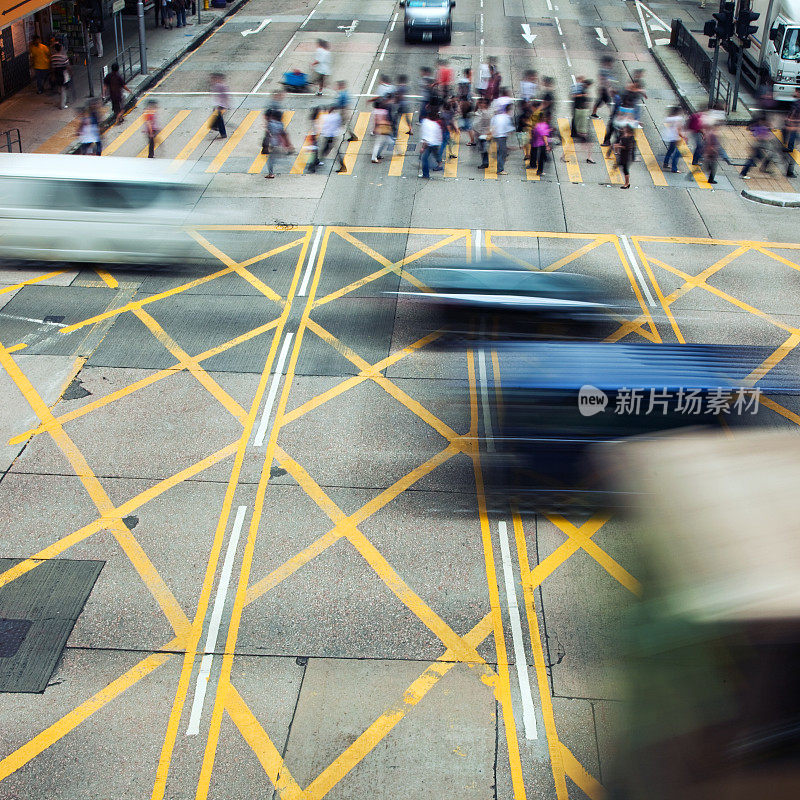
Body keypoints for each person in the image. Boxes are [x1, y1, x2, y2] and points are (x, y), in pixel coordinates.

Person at [318, 105, 346, 172]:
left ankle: (343, 166)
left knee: (331, 150)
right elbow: (340, 124)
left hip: (329, 136)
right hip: (334, 135)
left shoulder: (325, 117)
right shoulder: (337, 116)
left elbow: (323, 126)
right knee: (327, 149)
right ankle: (320, 160)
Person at [490, 102, 514, 175]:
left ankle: (499, 162)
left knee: (500, 151)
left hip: (495, 136)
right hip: (502, 136)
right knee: (502, 153)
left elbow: (492, 125)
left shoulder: (497, 116)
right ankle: (500, 169)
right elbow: (509, 129)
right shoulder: (507, 118)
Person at [264, 108, 287, 178]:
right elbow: (282, 133)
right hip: (278, 142)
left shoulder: (270, 124)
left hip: (273, 142)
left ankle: (271, 174)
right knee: (273, 157)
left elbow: (268, 133)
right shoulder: (281, 124)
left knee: (270, 159)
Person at [419, 111, 443, 178]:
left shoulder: (426, 123)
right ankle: (440, 164)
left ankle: (425, 174)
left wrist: (423, 148)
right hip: (435, 142)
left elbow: (426, 138)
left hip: (429, 143)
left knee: (424, 159)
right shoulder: (436, 123)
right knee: (435, 153)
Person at [662, 106, 685, 173]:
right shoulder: (678, 118)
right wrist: (683, 136)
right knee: (677, 153)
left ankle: (665, 163)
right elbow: (678, 129)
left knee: (670, 150)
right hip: (675, 137)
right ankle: (674, 168)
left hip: (669, 136)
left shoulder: (669, 118)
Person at [615, 118, 636, 189]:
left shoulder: (631, 138)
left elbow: (627, 147)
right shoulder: (624, 135)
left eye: (625, 128)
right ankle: (626, 183)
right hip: (623, 154)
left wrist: (619, 146)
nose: (623, 129)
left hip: (627, 155)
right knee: (622, 167)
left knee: (625, 169)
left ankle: (627, 183)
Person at [49, 43, 70, 110]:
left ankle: (62, 99)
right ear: (61, 48)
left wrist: (52, 75)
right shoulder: (64, 56)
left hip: (56, 73)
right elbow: (67, 66)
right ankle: (62, 105)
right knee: (64, 88)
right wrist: (70, 73)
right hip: (63, 73)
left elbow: (52, 67)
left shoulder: (53, 57)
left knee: (60, 88)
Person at [474, 97, 492, 168]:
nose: (481, 104)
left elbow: (483, 123)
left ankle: (485, 163)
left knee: (484, 150)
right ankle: (485, 162)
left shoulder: (485, 113)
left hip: (484, 134)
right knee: (483, 149)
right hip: (481, 133)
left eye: (483, 103)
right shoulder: (481, 111)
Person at [210, 73, 229, 139]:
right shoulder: (216, 85)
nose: (212, 80)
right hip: (218, 104)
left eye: (214, 78)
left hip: (221, 105)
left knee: (219, 119)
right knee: (216, 117)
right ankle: (214, 126)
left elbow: (226, 96)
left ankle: (223, 133)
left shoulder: (222, 86)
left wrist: (225, 105)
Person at [782, 87, 800, 154]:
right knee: (793, 134)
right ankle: (789, 146)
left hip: (794, 121)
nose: (795, 93)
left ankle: (789, 147)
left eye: (797, 92)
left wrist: (789, 119)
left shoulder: (797, 103)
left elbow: (794, 112)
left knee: (792, 133)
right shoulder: (796, 101)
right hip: (795, 121)